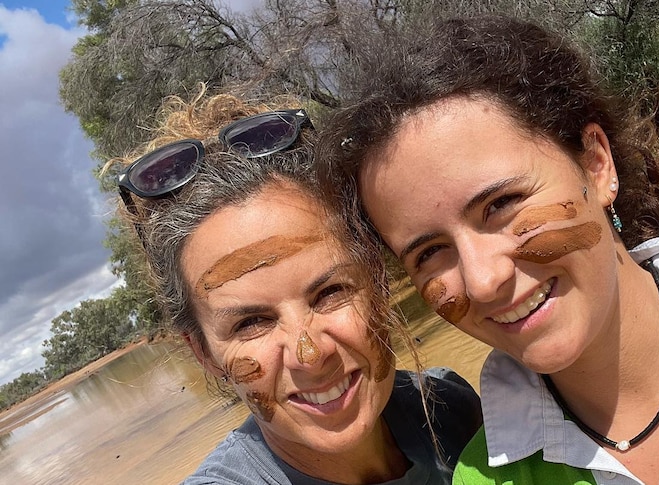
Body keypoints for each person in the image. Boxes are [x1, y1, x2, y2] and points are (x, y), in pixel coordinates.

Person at [316, 15, 659, 485]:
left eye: (502, 204)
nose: (482, 281)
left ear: (596, 164)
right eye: (430, 252)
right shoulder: (486, 476)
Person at [106, 86, 482, 485]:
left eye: (330, 292)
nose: (310, 354)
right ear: (204, 353)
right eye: (251, 323)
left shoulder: (450, 410)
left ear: (378, 281)